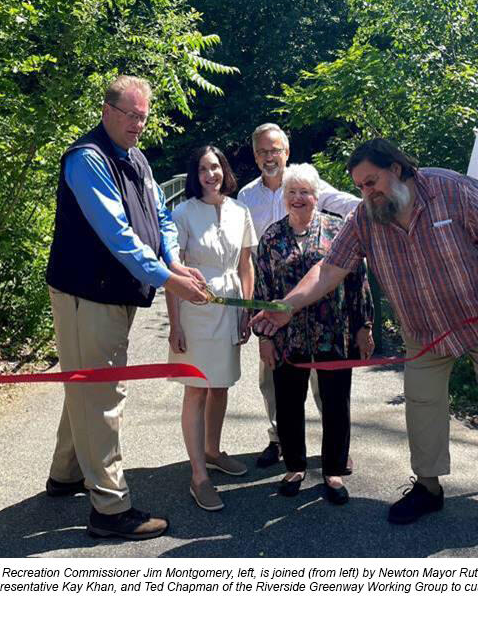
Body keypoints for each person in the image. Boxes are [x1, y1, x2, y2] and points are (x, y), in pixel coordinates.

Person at [253, 138, 478, 536]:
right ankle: (427, 488)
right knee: (422, 405)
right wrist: (286, 305)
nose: (367, 192)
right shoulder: (365, 218)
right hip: (425, 328)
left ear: (396, 168)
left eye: (372, 181)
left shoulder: (453, 190)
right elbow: (329, 269)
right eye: (360, 186)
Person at [44, 75, 209, 541]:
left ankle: (66, 474)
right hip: (86, 294)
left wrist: (173, 260)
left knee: (86, 382)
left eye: (145, 115)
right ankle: (110, 509)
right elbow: (117, 236)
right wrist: (171, 281)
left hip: (111, 293)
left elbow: (159, 217)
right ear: (107, 111)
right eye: (132, 114)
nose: (140, 123)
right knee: (102, 393)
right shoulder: (87, 160)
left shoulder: (135, 159)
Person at [237, 123, 361, 469]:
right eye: (261, 151)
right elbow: (248, 257)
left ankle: (335, 448)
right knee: (273, 381)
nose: (268, 157)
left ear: (286, 152)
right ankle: (280, 440)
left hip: (319, 308)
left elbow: (352, 206)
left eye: (274, 150)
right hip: (273, 306)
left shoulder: (310, 184)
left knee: (327, 384)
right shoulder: (247, 196)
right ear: (255, 156)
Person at [254, 164, 374, 504]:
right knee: (289, 403)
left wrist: (364, 326)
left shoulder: (338, 231)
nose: (298, 198)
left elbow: (357, 282)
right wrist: (264, 338)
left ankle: (333, 470)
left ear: (317, 196)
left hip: (333, 334)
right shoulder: (272, 237)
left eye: (304, 192)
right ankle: (294, 466)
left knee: (336, 402)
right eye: (291, 192)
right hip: (286, 337)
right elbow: (263, 289)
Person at [166, 145, 257, 512]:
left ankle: (213, 449)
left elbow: (246, 265)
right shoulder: (183, 212)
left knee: (220, 385)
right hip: (195, 310)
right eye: (203, 168)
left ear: (225, 170)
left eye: (216, 167)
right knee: (197, 391)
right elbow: (173, 270)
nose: (211, 174)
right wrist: (175, 324)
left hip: (231, 306)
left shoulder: (240, 211)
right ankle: (199, 476)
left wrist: (246, 311)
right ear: (195, 174)